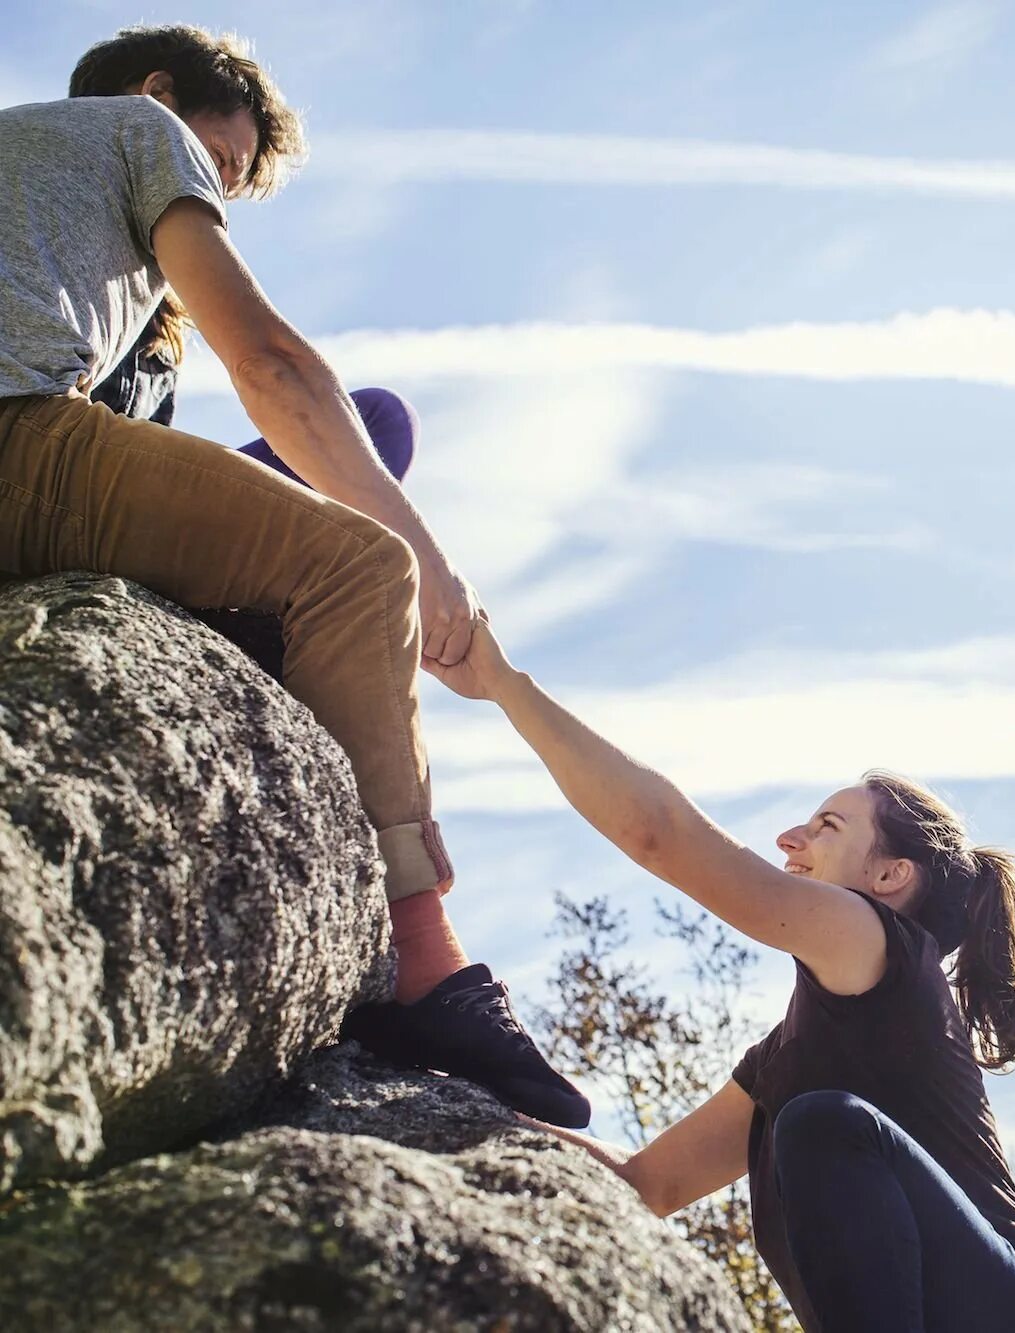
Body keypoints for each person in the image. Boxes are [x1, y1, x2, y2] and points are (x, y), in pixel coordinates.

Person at [0, 24, 586, 1126]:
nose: (215, 192)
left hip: (48, 456)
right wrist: (429, 567)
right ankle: (423, 961)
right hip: (16, 447)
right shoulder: (136, 127)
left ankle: (285, 664)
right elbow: (270, 365)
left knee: (375, 427)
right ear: (163, 94)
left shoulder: (42, 196)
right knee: (360, 568)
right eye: (218, 167)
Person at [425, 619, 1015, 1333]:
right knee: (815, 1120)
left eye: (827, 826)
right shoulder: (789, 1058)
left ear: (888, 875)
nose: (790, 837)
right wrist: (459, 1110)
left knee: (824, 1124)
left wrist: (503, 681)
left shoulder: (887, 948)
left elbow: (659, 833)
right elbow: (647, 1184)